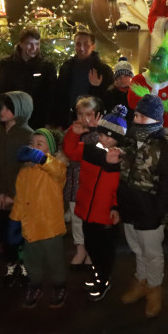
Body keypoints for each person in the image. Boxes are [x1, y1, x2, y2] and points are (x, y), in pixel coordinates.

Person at [117, 93, 168, 317]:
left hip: (150, 212)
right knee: (136, 249)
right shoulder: (129, 141)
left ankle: (154, 288)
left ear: (155, 119)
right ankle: (140, 281)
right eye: (136, 115)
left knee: (152, 253)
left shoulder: (164, 148)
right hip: (130, 208)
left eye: (143, 116)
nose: (137, 119)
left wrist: (158, 212)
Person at [64, 105, 127, 302]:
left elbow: (118, 188)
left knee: (104, 251)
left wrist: (116, 206)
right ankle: (98, 274)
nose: (105, 139)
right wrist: (73, 134)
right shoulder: (90, 150)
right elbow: (71, 151)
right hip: (86, 210)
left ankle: (104, 279)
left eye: (110, 136)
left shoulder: (119, 157)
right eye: (102, 134)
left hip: (105, 215)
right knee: (91, 245)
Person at [0, 91, 35, 287]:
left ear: (21, 109)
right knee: (4, 235)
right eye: (1, 107)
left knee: (23, 236)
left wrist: (13, 195)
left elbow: (28, 169)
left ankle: (27, 269)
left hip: (19, 199)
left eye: (7, 108)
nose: (1, 111)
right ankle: (11, 267)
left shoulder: (29, 136)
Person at [10, 131, 69, 309]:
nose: (35, 147)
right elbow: (20, 199)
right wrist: (14, 220)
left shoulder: (55, 168)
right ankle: (35, 285)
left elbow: (58, 171)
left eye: (40, 144)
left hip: (50, 226)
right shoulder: (24, 172)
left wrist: (43, 159)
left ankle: (60, 285)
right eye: (32, 143)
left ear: (50, 149)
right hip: (30, 226)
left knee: (55, 260)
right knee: (31, 260)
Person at [0, 27, 57, 130]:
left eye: (37, 44)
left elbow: (51, 96)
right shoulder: (6, 65)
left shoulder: (46, 66)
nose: (33, 48)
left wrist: (48, 121)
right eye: (29, 44)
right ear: (21, 44)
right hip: (11, 118)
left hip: (37, 119)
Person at [66, 96, 104, 266]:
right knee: (76, 219)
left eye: (88, 114)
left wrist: (95, 132)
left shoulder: (102, 133)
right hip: (75, 183)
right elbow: (68, 151)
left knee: (91, 220)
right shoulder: (74, 130)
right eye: (80, 114)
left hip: (91, 185)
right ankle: (80, 249)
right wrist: (73, 134)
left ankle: (91, 251)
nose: (84, 119)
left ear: (97, 115)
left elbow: (84, 154)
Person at [128, 35, 168, 139]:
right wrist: (161, 104)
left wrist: (149, 101)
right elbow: (133, 103)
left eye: (159, 58)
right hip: (140, 135)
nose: (154, 61)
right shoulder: (138, 80)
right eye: (153, 57)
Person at [53, 31, 114, 128]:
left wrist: (98, 87)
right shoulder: (66, 67)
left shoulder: (103, 70)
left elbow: (109, 99)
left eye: (86, 44)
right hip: (69, 120)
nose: (81, 48)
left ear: (93, 46)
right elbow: (59, 95)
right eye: (78, 44)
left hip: (93, 121)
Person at [102, 57, 135, 123]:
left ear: (131, 77)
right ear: (116, 79)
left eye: (125, 76)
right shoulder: (109, 94)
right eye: (119, 77)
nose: (122, 80)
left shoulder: (135, 94)